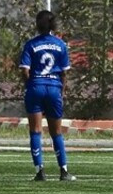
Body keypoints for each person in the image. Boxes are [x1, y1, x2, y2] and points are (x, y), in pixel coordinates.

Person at [19, 10, 74, 182]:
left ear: (37, 24)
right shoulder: (61, 45)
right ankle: (63, 171)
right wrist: (61, 92)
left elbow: (24, 70)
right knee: (56, 132)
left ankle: (39, 171)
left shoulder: (31, 44)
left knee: (35, 131)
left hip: (36, 87)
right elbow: (64, 74)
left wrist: (30, 85)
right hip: (53, 88)